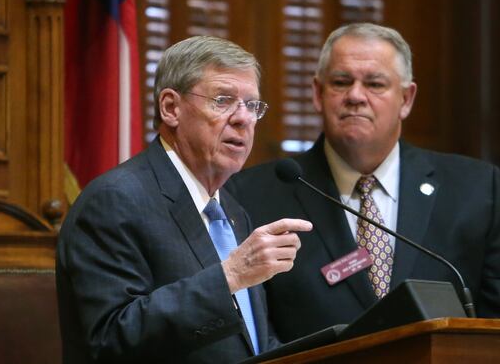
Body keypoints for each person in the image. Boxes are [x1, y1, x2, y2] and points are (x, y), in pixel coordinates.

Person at [226, 22, 500, 342]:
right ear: (317, 93)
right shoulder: (253, 194)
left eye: (375, 84)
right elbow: (251, 331)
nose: (356, 96)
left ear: (407, 98)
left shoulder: (474, 189)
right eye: (342, 82)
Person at [56, 35, 313, 363]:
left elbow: (254, 345)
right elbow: (110, 339)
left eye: (252, 105)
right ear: (170, 108)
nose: (243, 118)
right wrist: (229, 276)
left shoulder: (232, 211)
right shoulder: (114, 201)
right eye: (223, 100)